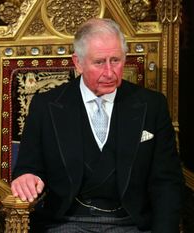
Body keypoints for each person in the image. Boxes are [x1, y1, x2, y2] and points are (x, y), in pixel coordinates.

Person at [11, 18, 183, 233]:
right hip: (66, 222)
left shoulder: (151, 105)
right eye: (100, 62)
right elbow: (28, 166)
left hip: (131, 223)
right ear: (78, 62)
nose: (110, 72)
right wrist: (27, 176)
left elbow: (166, 180)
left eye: (116, 60)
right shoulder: (46, 106)